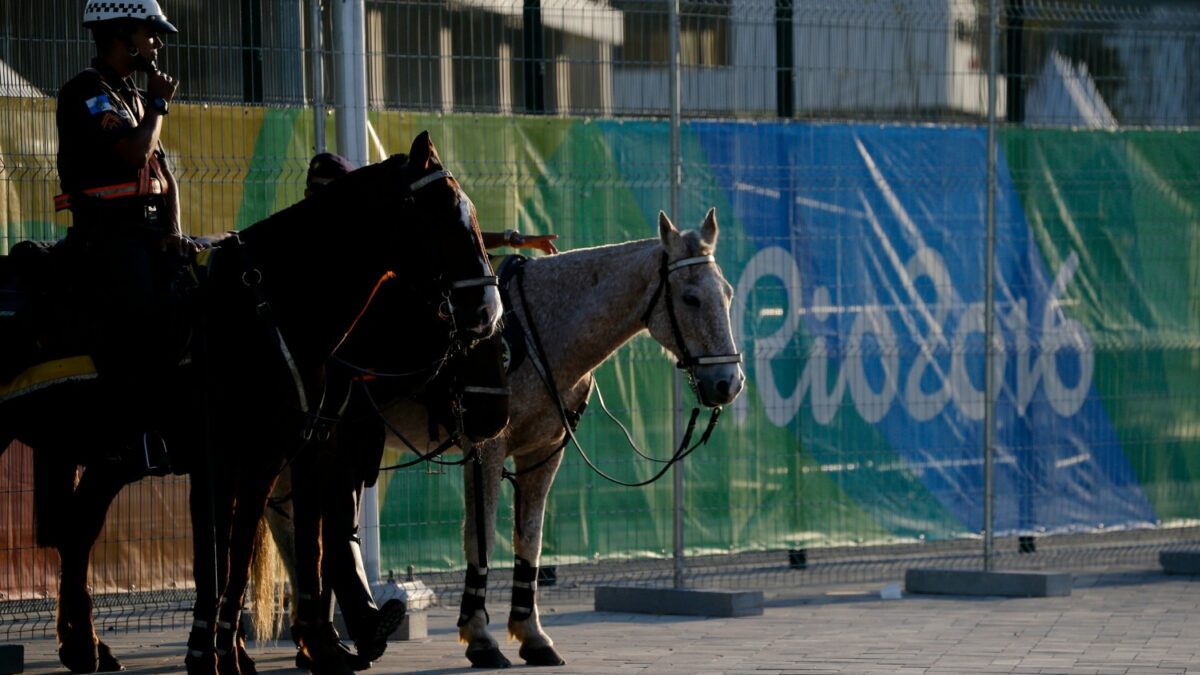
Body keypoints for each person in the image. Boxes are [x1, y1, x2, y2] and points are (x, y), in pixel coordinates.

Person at [293, 152, 556, 670]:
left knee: (335, 524)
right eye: (316, 191)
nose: (322, 200)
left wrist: (510, 240)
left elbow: (448, 243)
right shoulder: (310, 248)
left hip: (355, 409)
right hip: (319, 409)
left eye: (330, 190)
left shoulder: (371, 248)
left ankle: (327, 633)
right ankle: (341, 627)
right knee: (321, 523)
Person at [55, 0, 190, 477]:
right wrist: (157, 104)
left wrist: (174, 233)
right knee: (144, 313)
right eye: (150, 33)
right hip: (107, 240)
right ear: (121, 34)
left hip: (149, 235)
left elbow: (163, 175)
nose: (157, 43)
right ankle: (129, 435)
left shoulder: (131, 93)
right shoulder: (88, 93)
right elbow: (135, 153)